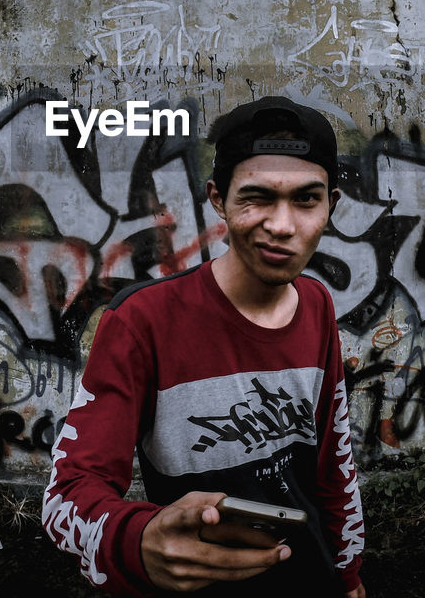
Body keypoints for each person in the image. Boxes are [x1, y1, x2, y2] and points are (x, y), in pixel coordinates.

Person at [42, 96, 365, 596]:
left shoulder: (317, 305)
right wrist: (138, 539)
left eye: (306, 199)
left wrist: (346, 574)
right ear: (218, 199)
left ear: (331, 205)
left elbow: (333, 462)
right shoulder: (143, 320)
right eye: (257, 197)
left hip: (309, 576)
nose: (282, 225)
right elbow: (66, 494)